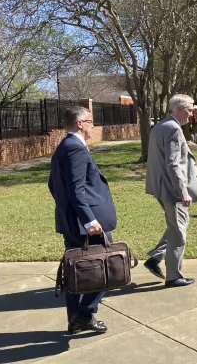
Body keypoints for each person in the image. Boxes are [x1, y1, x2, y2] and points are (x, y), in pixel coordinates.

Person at [48, 106, 116, 334]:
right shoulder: (74, 148)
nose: (93, 125)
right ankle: (84, 314)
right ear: (79, 123)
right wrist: (89, 221)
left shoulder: (64, 147)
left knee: (76, 272)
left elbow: (54, 186)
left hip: (71, 221)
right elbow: (77, 190)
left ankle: (74, 322)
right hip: (85, 225)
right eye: (90, 120)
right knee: (107, 267)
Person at [144, 94, 197, 288]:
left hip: (160, 187)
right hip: (171, 189)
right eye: (190, 110)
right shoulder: (173, 129)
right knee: (178, 231)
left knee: (176, 224)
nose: (191, 114)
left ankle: (155, 256)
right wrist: (183, 191)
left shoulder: (161, 125)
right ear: (179, 109)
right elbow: (173, 164)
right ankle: (174, 276)